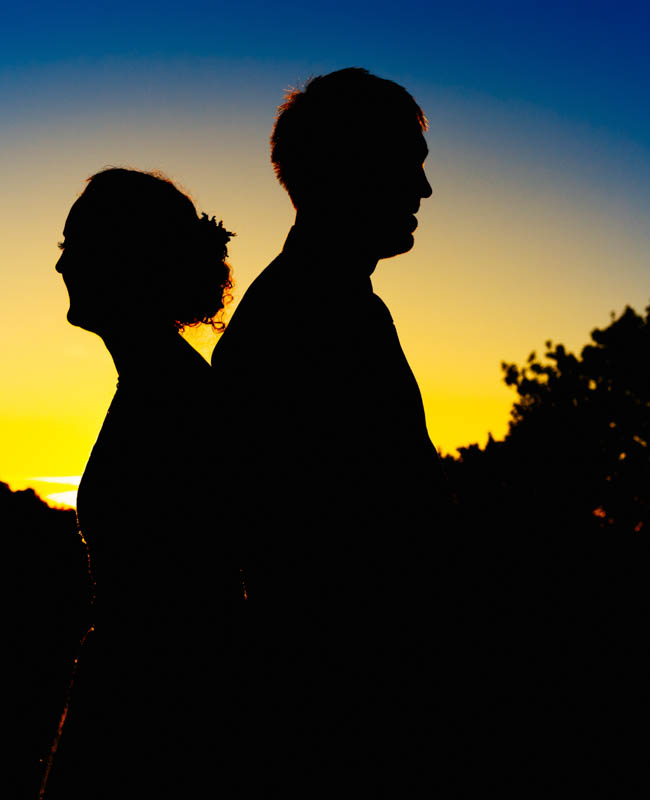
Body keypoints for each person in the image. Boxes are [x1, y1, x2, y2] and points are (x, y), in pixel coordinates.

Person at [211, 67, 445, 794]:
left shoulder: (328, 304)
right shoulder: (309, 317)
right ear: (355, 169)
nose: (424, 192)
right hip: (339, 723)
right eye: (410, 168)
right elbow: (348, 553)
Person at [42, 168, 245, 798]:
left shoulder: (172, 399)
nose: (60, 267)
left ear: (122, 258)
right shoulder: (158, 385)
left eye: (73, 246)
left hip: (152, 724)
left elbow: (186, 606)